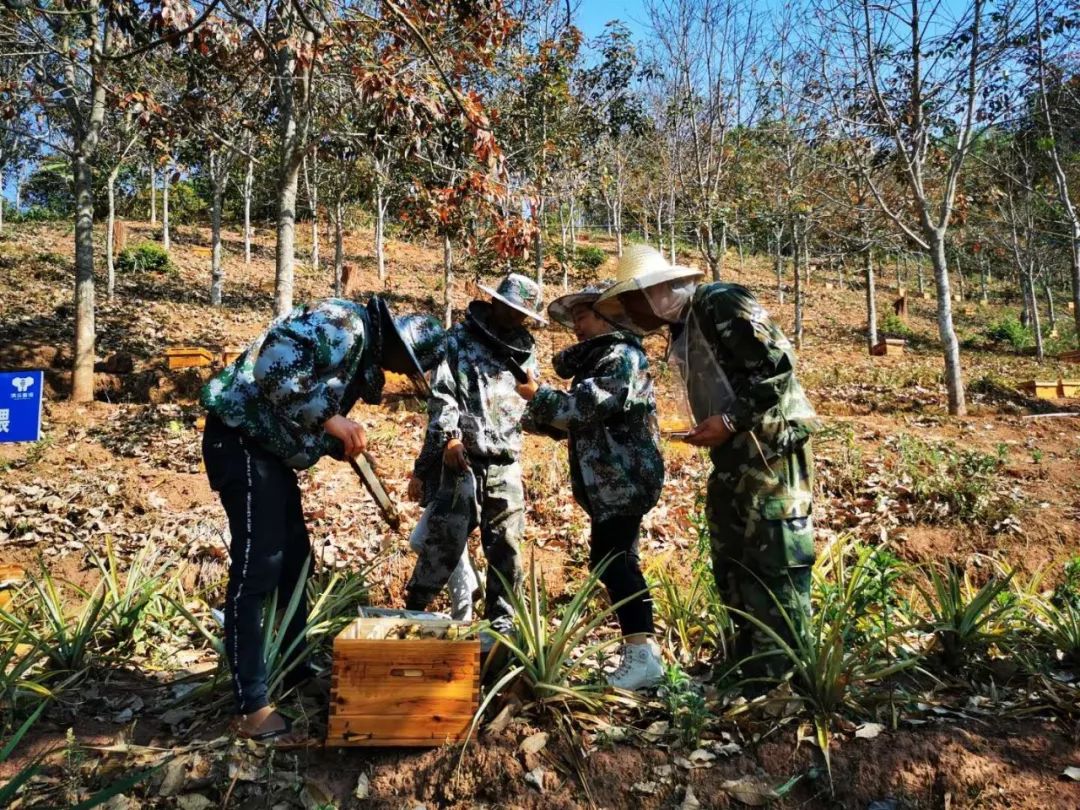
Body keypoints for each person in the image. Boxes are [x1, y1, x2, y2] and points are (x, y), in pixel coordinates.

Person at [200, 296, 445, 742]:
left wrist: (337, 441)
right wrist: (333, 420)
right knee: (260, 567)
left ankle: (292, 670)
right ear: (394, 341)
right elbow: (273, 367)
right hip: (240, 441)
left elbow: (298, 414)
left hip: (265, 451)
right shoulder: (344, 324)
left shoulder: (353, 347)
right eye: (402, 362)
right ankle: (250, 707)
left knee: (296, 561)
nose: (396, 373)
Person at [594, 245, 820, 685]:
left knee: (775, 561)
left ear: (656, 290)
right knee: (733, 563)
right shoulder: (682, 328)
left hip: (770, 454)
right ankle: (749, 671)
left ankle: (785, 683)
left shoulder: (719, 301)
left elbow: (777, 367)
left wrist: (732, 420)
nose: (630, 313)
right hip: (734, 457)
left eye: (631, 300)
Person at [517, 282, 666, 690]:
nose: (577, 326)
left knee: (612, 560)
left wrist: (538, 396)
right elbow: (577, 422)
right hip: (611, 481)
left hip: (624, 480)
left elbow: (581, 408)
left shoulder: (620, 358)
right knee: (617, 560)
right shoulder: (605, 360)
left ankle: (642, 658)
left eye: (582, 317)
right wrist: (535, 413)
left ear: (606, 316)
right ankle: (642, 655)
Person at [404, 274, 545, 644]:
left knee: (507, 546)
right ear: (495, 302)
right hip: (464, 460)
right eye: (509, 308)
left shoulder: (525, 351)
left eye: (522, 313)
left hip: (506, 461)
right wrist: (450, 439)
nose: (514, 317)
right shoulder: (457, 341)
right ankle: (413, 611)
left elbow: (531, 403)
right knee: (444, 541)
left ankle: (502, 628)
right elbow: (443, 394)